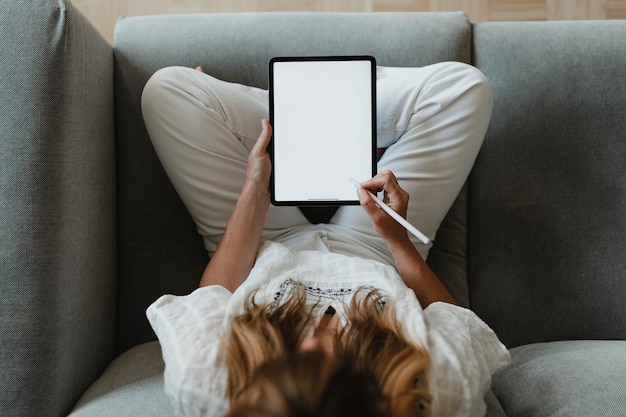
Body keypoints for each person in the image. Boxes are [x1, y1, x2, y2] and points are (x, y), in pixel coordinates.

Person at [142, 62, 510, 417]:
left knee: (167, 90)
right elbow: (453, 318)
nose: (315, 341)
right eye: (336, 363)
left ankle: (275, 109)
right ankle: (309, 110)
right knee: (465, 87)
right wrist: (397, 239)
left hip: (260, 244)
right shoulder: (441, 394)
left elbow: (213, 295)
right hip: (374, 248)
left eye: (297, 359)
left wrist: (254, 191)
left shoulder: (204, 385)